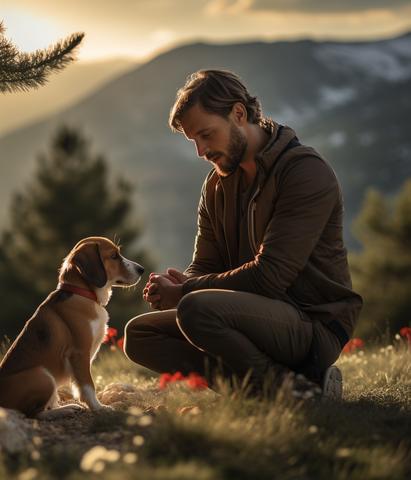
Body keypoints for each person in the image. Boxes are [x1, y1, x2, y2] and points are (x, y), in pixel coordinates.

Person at [124, 68, 363, 400]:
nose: (201, 151)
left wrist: (185, 294)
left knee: (195, 309)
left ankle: (290, 392)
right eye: (193, 140)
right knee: (139, 335)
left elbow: (270, 277)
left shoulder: (304, 172)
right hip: (246, 316)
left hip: (313, 325)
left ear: (238, 114)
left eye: (207, 134)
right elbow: (206, 264)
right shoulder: (217, 185)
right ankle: (271, 387)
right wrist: (182, 284)